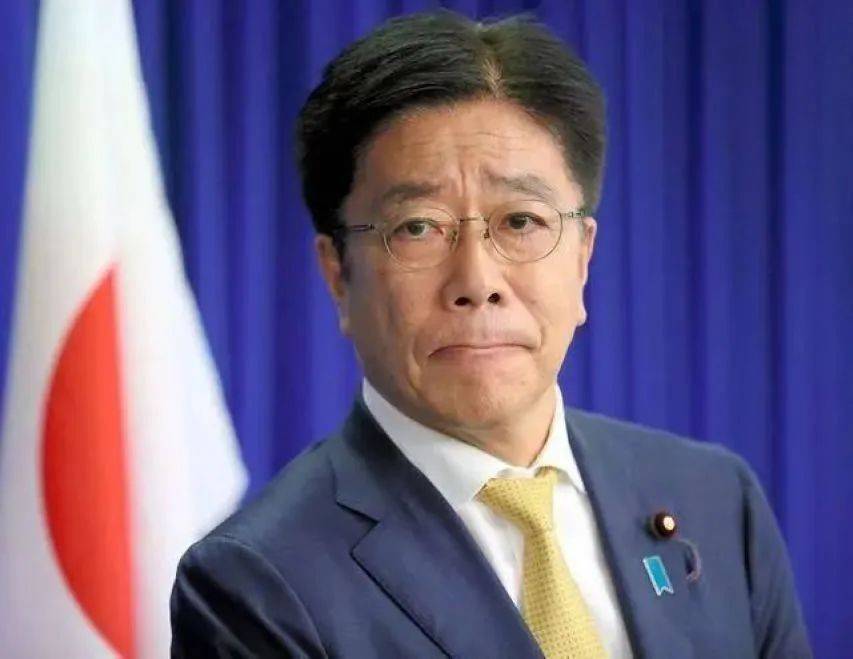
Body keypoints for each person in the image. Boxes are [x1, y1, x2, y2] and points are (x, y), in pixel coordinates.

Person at [170, 11, 811, 658]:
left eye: (521, 221)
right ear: (338, 273)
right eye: (417, 228)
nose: (478, 281)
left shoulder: (715, 501)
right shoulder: (256, 584)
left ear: (582, 258)